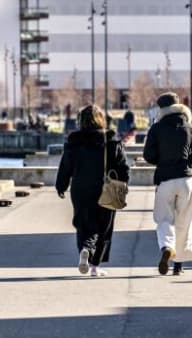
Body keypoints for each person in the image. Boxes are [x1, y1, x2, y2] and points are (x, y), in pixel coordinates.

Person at [56, 105, 130, 277]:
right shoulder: (111, 141)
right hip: (106, 187)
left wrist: (61, 186)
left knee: (83, 224)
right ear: (101, 119)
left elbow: (65, 167)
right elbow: (123, 167)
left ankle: (85, 249)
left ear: (80, 121)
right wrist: (124, 184)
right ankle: (95, 266)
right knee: (104, 227)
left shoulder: (74, 142)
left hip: (80, 189)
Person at [143, 92, 192, 276]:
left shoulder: (156, 128)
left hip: (165, 179)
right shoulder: (189, 127)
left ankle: (167, 248)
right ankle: (179, 265)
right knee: (185, 221)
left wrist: (161, 161)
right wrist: (185, 161)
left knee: (163, 218)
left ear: (161, 109)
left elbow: (148, 155)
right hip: (185, 180)